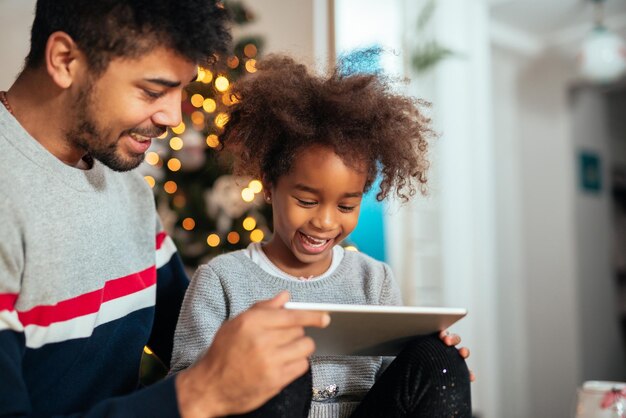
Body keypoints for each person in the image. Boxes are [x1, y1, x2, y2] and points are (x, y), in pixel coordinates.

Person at [0, 2, 332, 417]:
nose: (173, 116)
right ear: (65, 60)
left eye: (182, 89)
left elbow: (187, 325)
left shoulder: (121, 178)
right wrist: (196, 394)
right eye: (153, 91)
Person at [170, 55, 473, 417]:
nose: (326, 222)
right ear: (269, 185)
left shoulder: (374, 280)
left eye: (346, 207)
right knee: (283, 356)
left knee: (440, 357)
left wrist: (430, 365)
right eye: (307, 200)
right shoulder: (221, 280)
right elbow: (187, 388)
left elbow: (395, 387)